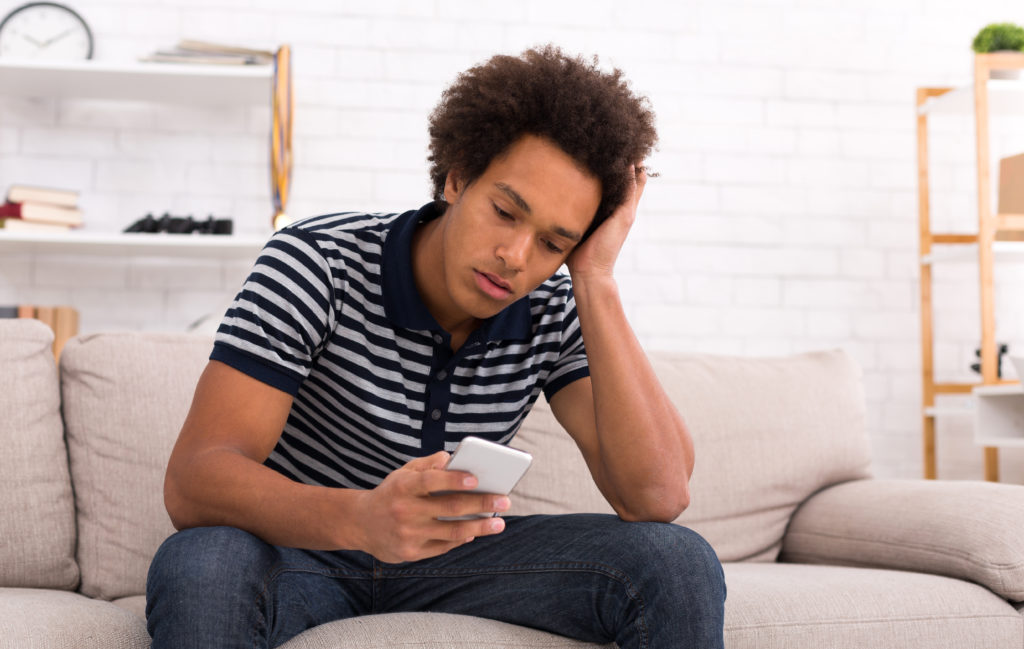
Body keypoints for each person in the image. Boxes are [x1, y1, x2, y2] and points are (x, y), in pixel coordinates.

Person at [146, 45, 726, 649]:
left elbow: (657, 496)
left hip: (457, 564)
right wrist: (363, 518)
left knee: (674, 560)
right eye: (505, 211)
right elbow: (194, 481)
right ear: (455, 178)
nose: (517, 257)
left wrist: (595, 279)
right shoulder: (317, 263)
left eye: (554, 243)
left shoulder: (556, 302)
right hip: (304, 555)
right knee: (201, 560)